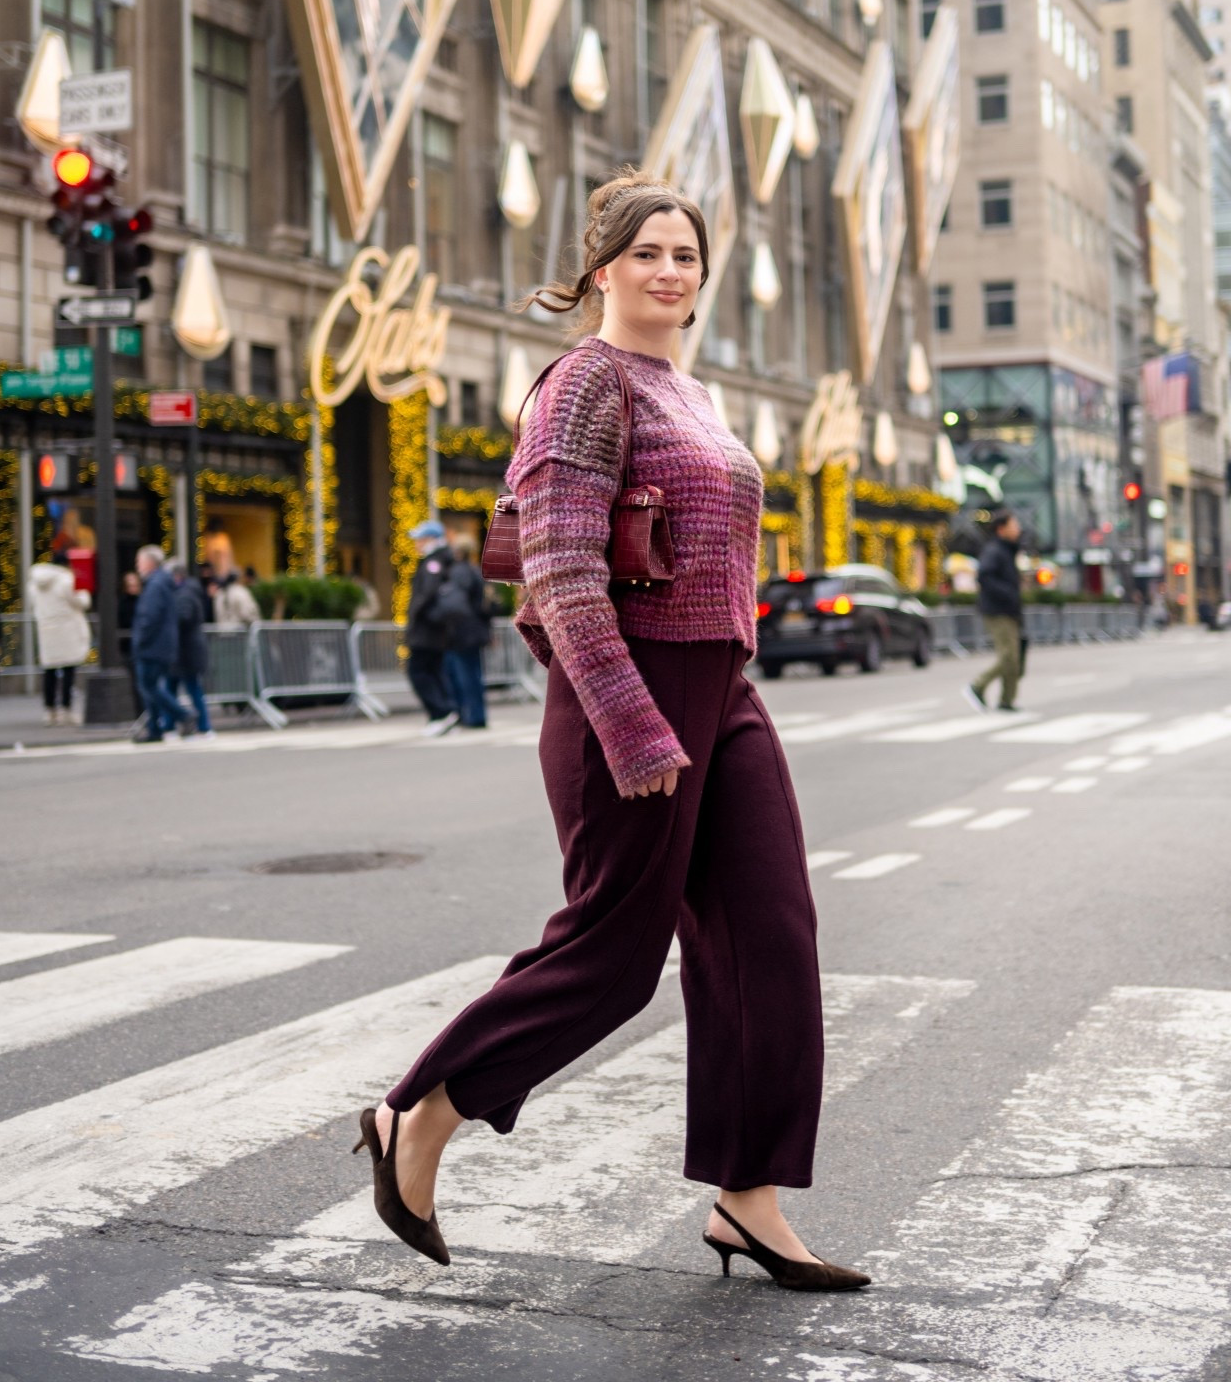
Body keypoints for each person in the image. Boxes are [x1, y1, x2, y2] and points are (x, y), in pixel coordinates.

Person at [355, 170, 868, 1293]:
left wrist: (715, 682)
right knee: (614, 954)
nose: (670, 271)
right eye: (647, 253)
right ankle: (418, 1110)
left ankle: (748, 1197)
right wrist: (631, 724)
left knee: (770, 931)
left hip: (721, 688)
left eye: (686, 255)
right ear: (601, 270)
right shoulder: (583, 384)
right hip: (624, 697)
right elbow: (560, 569)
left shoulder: (694, 390)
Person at [965, 509, 1024, 714]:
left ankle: (1007, 700)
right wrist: (1008, 594)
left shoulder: (1007, 550)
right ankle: (977, 686)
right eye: (1014, 525)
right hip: (998, 610)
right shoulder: (995, 550)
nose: (1018, 529)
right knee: (1008, 657)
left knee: (1014, 658)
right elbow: (985, 577)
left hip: (1009, 610)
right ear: (1001, 529)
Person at [403, 522, 460, 736]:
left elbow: (426, 594)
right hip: (436, 629)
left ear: (432, 540)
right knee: (435, 670)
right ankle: (446, 712)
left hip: (427, 630)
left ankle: (440, 713)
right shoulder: (442, 561)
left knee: (417, 671)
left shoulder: (432, 563)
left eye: (421, 539)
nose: (418, 544)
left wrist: (414, 615)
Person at [438, 534, 492, 729]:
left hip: (460, 632)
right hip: (473, 631)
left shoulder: (458, 573)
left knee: (462, 675)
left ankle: (468, 715)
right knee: (473, 675)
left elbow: (455, 605)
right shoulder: (476, 571)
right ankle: (476, 715)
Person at [130, 545, 183, 744]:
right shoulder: (160, 582)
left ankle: (181, 715)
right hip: (161, 644)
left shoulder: (155, 585)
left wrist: (140, 641)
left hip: (152, 645)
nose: (137, 565)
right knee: (149, 687)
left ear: (150, 563)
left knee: (149, 686)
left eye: (139, 561)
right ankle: (154, 728)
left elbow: (149, 617)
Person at [29, 556, 91, 725]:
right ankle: (66, 708)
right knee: (68, 670)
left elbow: (33, 604)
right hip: (67, 630)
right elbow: (82, 601)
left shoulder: (34, 583)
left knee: (49, 671)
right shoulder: (66, 580)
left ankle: (50, 711)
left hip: (46, 630)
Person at [169, 560, 214, 741]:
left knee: (189, 688)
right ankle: (172, 724)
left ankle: (201, 725)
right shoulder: (189, 591)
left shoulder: (184, 593)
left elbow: (183, 618)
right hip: (185, 651)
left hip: (185, 651)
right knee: (177, 688)